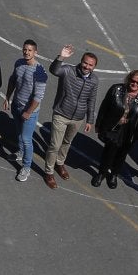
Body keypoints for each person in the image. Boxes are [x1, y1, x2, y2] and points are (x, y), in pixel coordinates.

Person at [41, 46, 100, 188]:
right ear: (81, 61)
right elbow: (54, 70)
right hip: (61, 114)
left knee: (67, 142)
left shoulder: (94, 80)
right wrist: (61, 57)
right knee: (55, 145)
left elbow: (91, 100)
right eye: (85, 63)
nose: (87, 66)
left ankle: (59, 163)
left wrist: (90, 120)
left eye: (90, 65)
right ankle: (49, 172)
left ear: (94, 67)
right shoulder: (68, 70)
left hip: (78, 118)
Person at [93, 69, 138, 189]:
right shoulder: (116, 89)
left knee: (121, 155)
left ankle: (113, 174)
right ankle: (101, 173)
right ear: (129, 79)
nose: (134, 84)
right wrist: (99, 124)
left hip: (130, 132)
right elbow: (104, 107)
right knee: (109, 152)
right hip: (114, 128)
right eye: (133, 81)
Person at [4, 40, 49, 182]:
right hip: (17, 106)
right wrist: (7, 97)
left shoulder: (39, 71)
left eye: (30, 50)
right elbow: (12, 80)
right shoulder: (19, 63)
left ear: (35, 52)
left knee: (26, 139)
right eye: (25, 49)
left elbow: (38, 97)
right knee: (19, 132)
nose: (26, 52)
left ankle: (26, 167)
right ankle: (20, 152)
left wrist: (29, 112)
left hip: (29, 111)